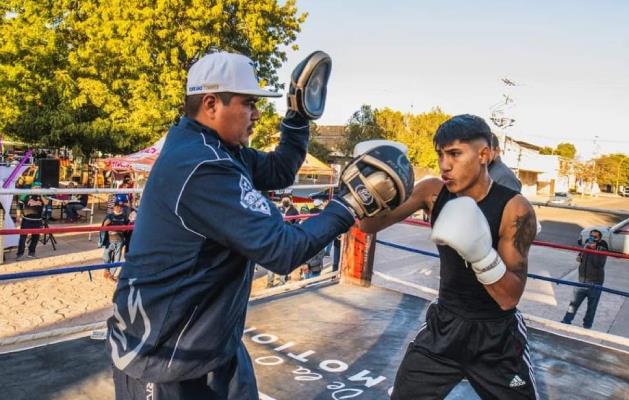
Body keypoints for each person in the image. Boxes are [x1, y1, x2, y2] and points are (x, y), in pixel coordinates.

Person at [106, 51, 411, 400]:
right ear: (211, 104)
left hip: (213, 345)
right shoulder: (201, 166)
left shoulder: (219, 150)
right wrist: (350, 203)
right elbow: (283, 251)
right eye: (249, 103)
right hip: (162, 356)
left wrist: (296, 118)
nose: (256, 114)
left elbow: (280, 170)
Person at [360, 114, 539, 399]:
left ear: (484, 154)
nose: (444, 165)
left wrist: (480, 253)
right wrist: (367, 193)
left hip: (497, 338)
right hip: (443, 326)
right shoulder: (433, 192)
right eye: (440, 154)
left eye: (455, 154)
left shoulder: (514, 208)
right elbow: (370, 226)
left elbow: (509, 297)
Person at [561, 229, 608, 329]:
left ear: (599, 239)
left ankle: (587, 325)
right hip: (582, 280)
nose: (592, 239)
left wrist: (593, 250)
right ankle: (566, 320)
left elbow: (598, 264)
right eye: (591, 236)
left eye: (595, 237)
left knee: (591, 307)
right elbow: (578, 259)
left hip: (595, 282)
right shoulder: (587, 244)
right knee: (573, 303)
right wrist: (584, 249)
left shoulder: (602, 248)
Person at [16, 182, 46, 260]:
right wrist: (18, 216)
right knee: (23, 238)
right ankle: (20, 254)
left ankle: (31, 252)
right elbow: (19, 206)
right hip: (27, 220)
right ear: (32, 187)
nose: (37, 189)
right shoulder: (25, 194)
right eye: (36, 187)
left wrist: (41, 195)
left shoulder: (42, 195)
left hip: (38, 220)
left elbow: (46, 203)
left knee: (35, 237)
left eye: (39, 187)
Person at [100, 201, 129, 281]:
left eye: (120, 207)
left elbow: (126, 228)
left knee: (117, 260)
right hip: (109, 241)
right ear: (114, 207)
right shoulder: (109, 216)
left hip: (119, 241)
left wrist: (124, 229)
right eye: (117, 206)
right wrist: (106, 224)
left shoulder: (124, 216)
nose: (119, 208)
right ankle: (107, 270)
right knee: (106, 257)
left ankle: (111, 275)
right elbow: (103, 227)